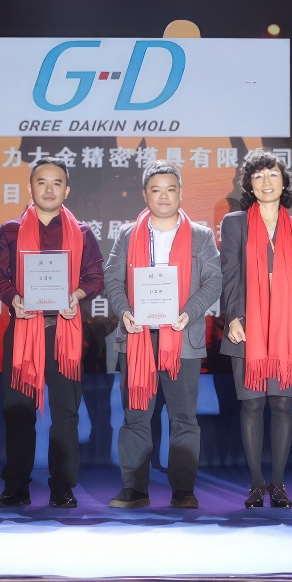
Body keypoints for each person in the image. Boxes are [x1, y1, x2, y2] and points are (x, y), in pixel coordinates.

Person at [0, 159, 104, 508]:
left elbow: (95, 278)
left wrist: (76, 296)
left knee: (65, 413)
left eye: (57, 183)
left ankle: (62, 487)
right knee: (18, 411)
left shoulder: (82, 232)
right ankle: (16, 486)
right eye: (42, 182)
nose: (49, 189)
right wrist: (14, 298)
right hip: (24, 331)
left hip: (64, 333)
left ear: (67, 190)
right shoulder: (10, 231)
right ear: (30, 188)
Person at [105, 161, 222, 510]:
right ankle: (135, 489)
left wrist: (190, 312)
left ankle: (183, 489)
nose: (164, 196)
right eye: (156, 190)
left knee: (183, 418)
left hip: (182, 337)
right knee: (136, 416)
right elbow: (112, 278)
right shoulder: (128, 234)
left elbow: (214, 280)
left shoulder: (200, 235)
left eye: (171, 189)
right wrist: (125, 311)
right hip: (137, 337)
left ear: (180, 193)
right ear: (145, 195)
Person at [219, 151, 292, 509]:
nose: (266, 181)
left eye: (272, 174)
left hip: (286, 329)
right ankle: (256, 484)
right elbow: (230, 275)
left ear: (284, 181)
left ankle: (278, 484)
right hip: (248, 329)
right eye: (258, 176)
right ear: (249, 184)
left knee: (282, 405)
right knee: (251, 405)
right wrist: (233, 317)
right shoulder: (235, 223)